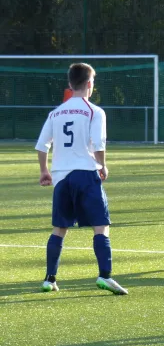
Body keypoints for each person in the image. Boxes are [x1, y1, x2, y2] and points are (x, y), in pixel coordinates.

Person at [35, 63, 128, 295]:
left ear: (70, 84)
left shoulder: (55, 112)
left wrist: (44, 170)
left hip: (62, 178)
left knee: (59, 228)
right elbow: (98, 144)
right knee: (101, 226)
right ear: (89, 84)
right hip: (86, 174)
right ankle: (105, 276)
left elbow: (41, 145)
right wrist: (103, 165)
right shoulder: (94, 111)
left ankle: (49, 279)